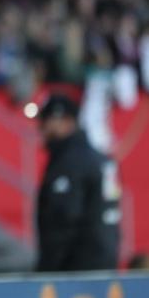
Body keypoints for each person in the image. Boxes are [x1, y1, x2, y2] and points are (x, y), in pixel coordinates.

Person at [35, 93, 121, 272]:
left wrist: (48, 267)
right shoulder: (100, 159)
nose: (41, 127)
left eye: (47, 120)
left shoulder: (69, 162)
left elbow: (63, 218)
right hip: (106, 261)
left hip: (76, 267)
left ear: (67, 121)